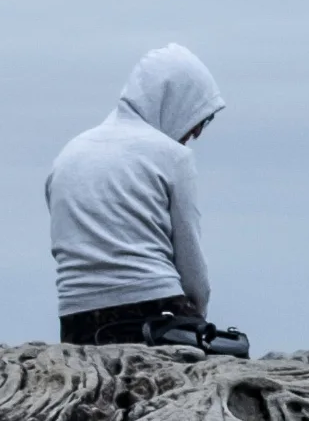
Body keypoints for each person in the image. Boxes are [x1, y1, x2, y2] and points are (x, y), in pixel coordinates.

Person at [45, 44, 226, 346]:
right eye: (200, 118)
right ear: (174, 100)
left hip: (76, 321)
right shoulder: (172, 156)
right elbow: (192, 269)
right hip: (155, 312)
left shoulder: (68, 155)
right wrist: (197, 320)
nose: (196, 133)